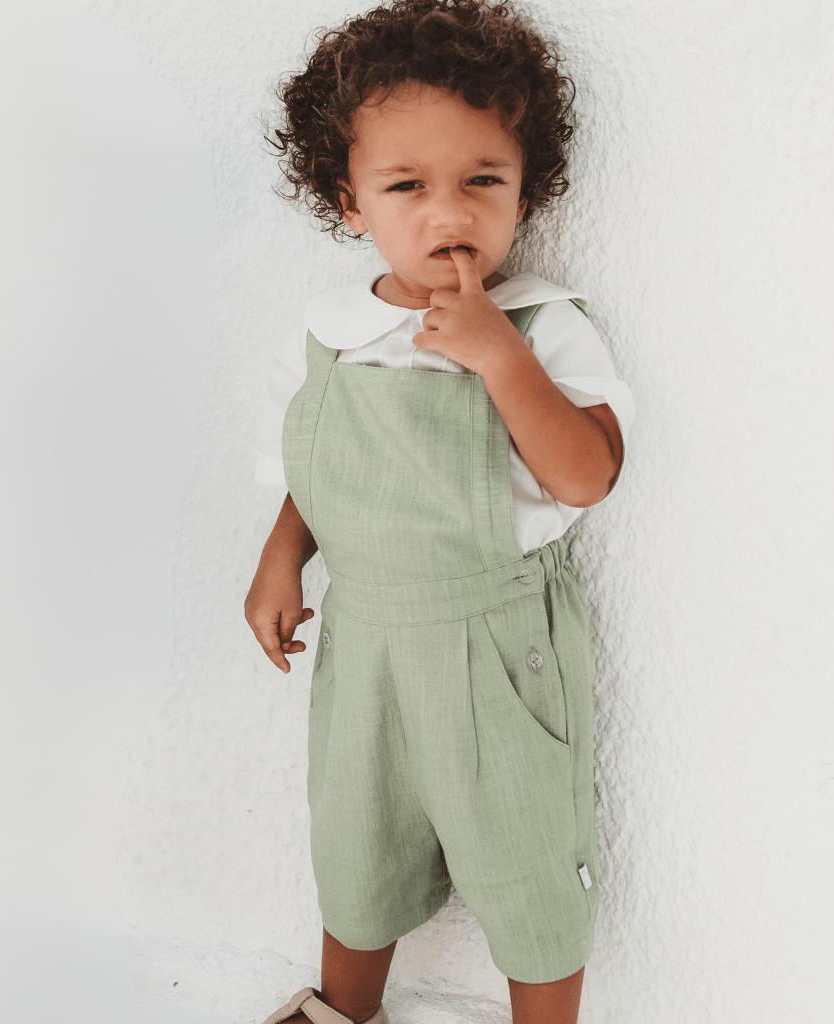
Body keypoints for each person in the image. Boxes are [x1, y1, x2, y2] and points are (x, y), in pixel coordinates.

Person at [244, 2, 635, 1022]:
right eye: (406, 185)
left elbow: (586, 475)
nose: (447, 212)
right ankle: (343, 1005)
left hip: (496, 642)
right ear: (350, 201)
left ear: (525, 189)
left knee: (524, 850)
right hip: (367, 637)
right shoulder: (330, 335)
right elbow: (315, 466)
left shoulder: (540, 326)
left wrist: (498, 355)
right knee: (357, 837)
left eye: (482, 181)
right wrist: (282, 557)